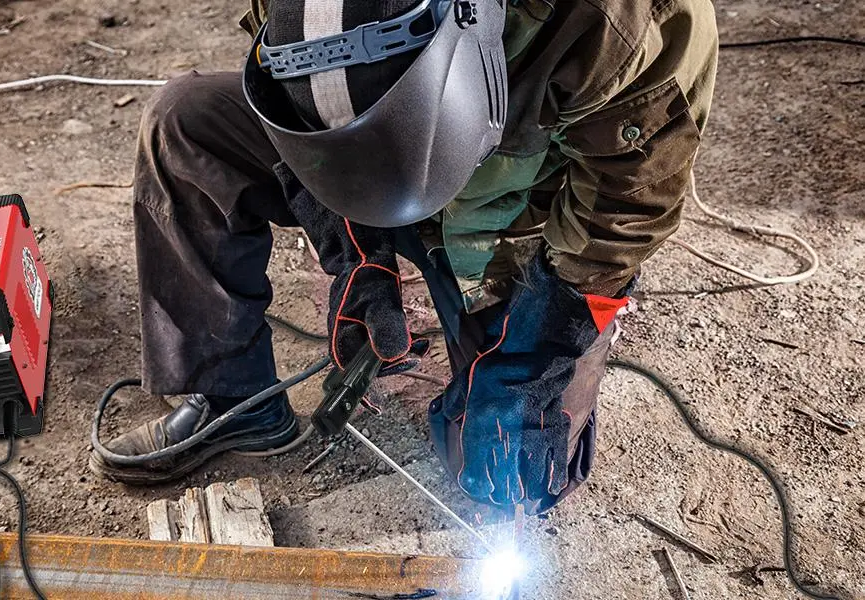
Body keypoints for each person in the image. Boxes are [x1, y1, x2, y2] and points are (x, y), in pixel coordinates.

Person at [90, 0, 717, 514]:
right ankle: (230, 397)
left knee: (503, 461)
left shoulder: (619, 21)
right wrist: (354, 251)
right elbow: (300, 108)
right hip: (362, 170)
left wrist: (535, 358)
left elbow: (621, 213)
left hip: (523, 211)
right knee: (187, 121)